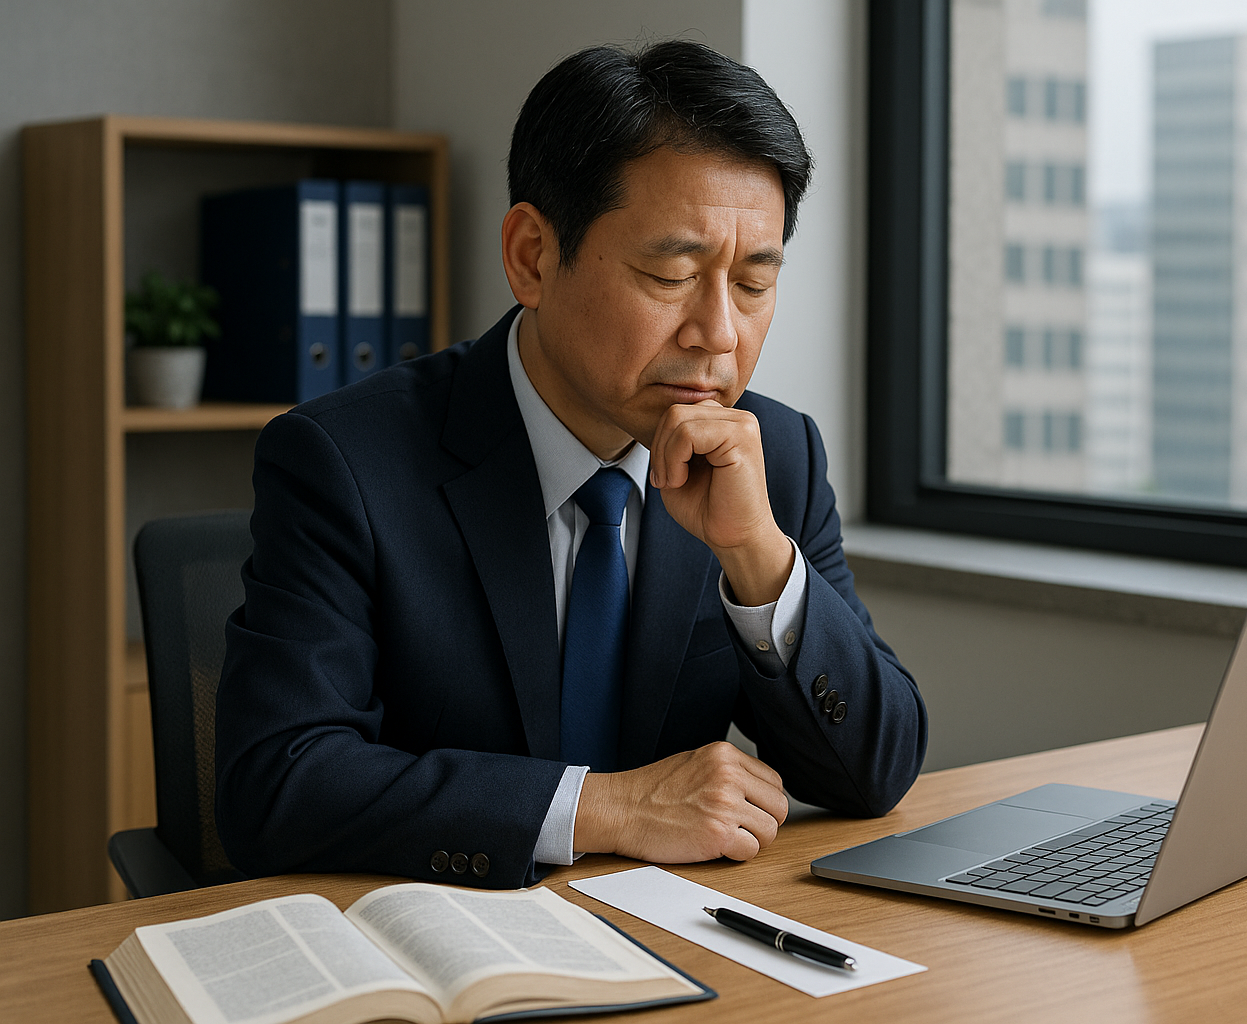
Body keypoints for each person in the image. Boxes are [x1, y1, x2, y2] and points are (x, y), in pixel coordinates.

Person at [215, 40, 927, 890]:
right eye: (671, 274)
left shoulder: (775, 456)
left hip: (681, 949)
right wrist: (610, 808)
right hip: (442, 945)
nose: (719, 334)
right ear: (531, 257)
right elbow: (277, 784)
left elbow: (872, 774)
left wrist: (759, 561)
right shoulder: (344, 462)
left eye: (752, 283)